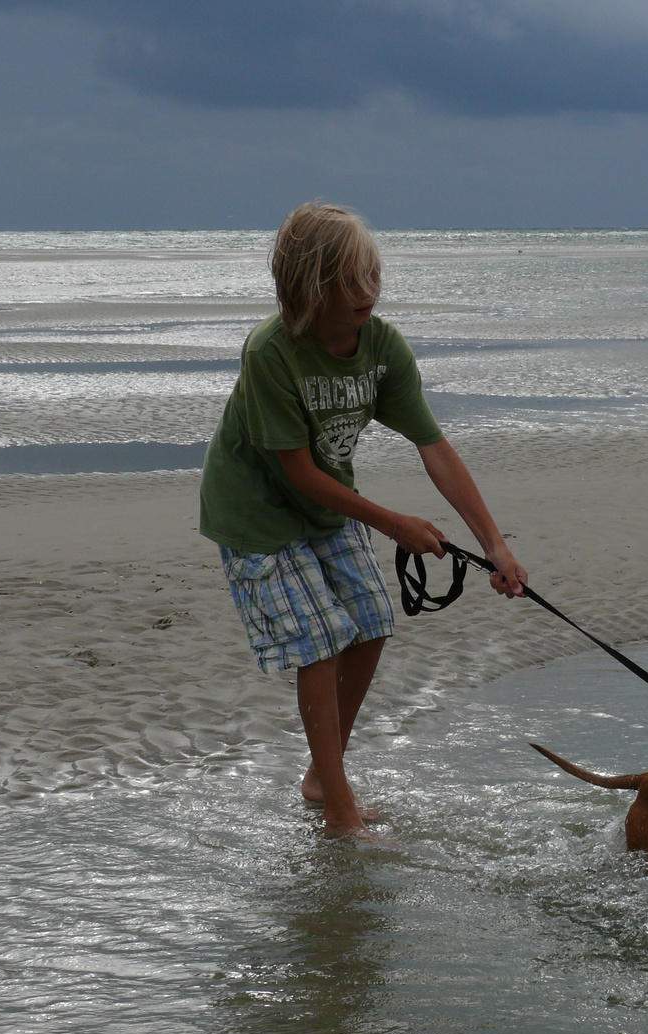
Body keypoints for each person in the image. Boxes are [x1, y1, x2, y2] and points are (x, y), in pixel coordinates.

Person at [199, 202, 526, 837]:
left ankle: (325, 773)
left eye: (371, 276)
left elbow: (434, 447)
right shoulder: (272, 352)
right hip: (256, 515)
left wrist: (497, 545)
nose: (366, 293)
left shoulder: (381, 347)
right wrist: (391, 522)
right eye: (347, 281)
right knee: (319, 641)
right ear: (307, 286)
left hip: (328, 507)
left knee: (371, 622)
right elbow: (296, 471)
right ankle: (339, 806)